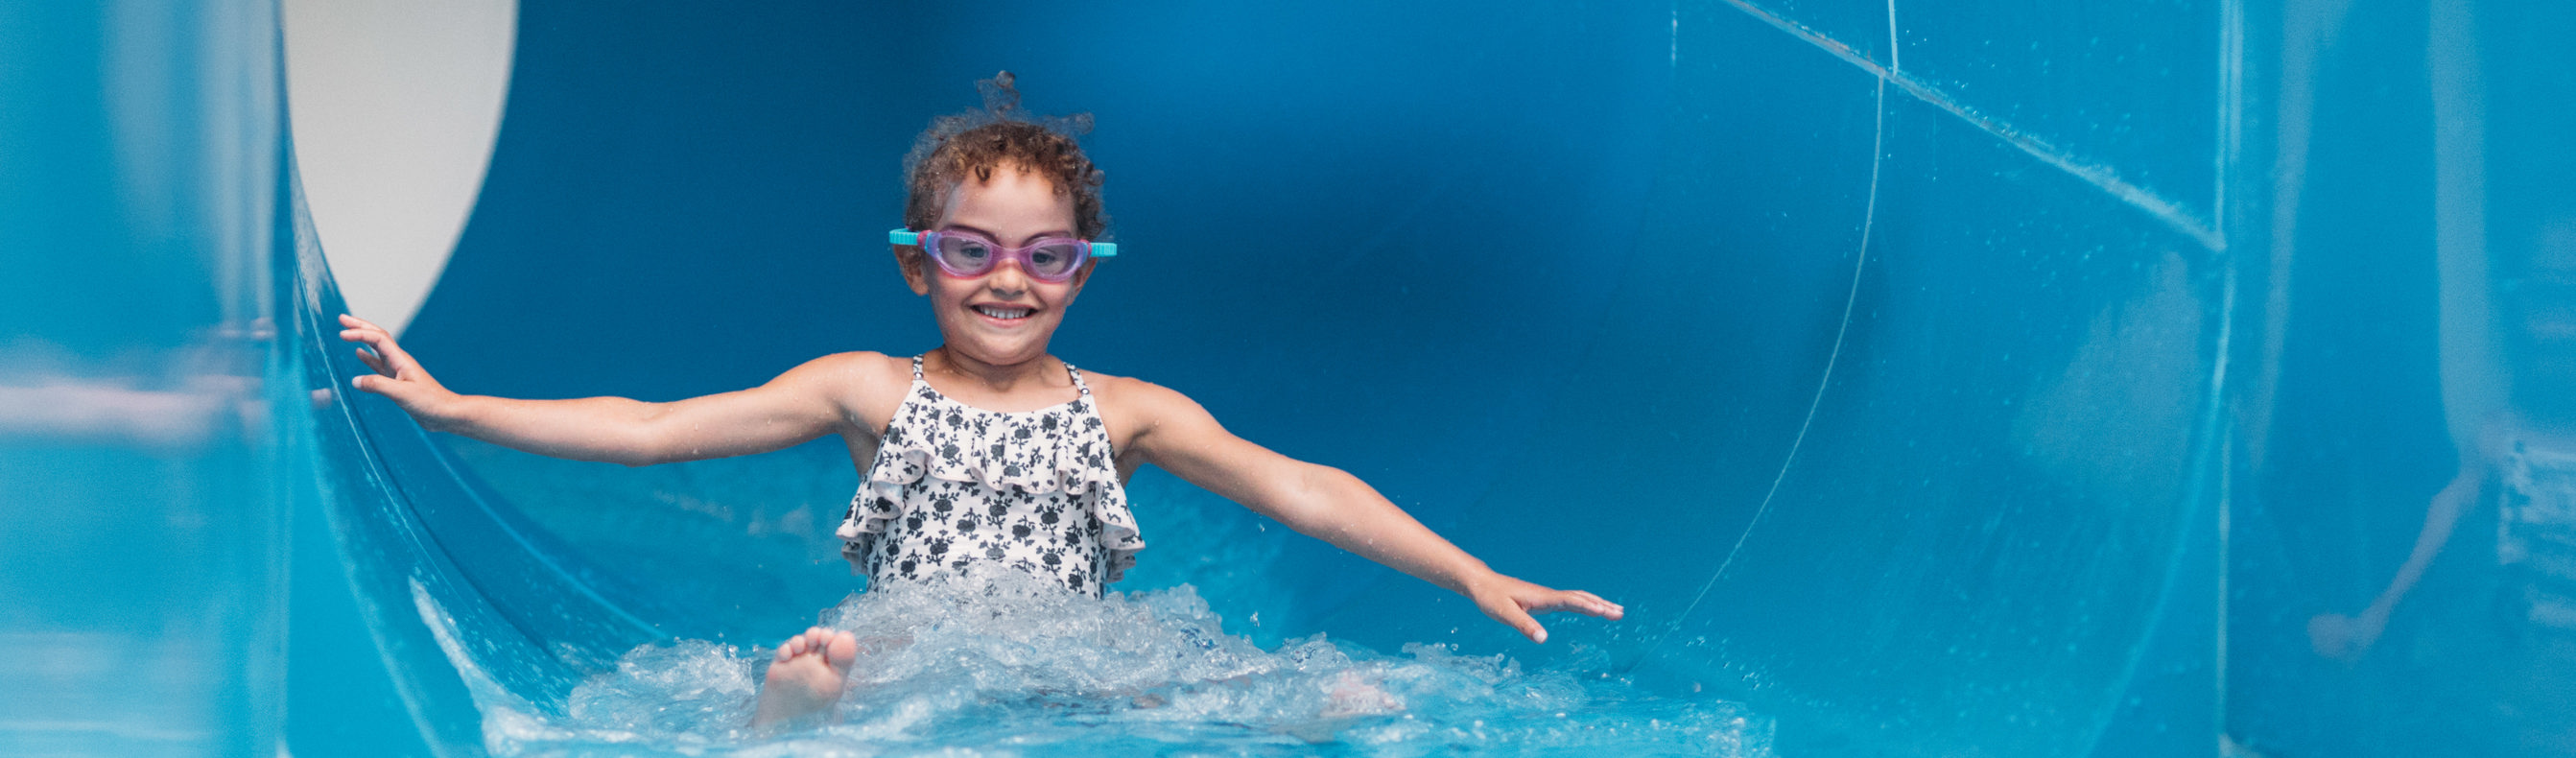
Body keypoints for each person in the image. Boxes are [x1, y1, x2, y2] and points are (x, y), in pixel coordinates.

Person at [336, 72, 1622, 729]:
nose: (1006, 280)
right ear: (918, 261)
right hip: (914, 631)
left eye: (1044, 256)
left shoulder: (1127, 410)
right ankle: (789, 725)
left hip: (1076, 641)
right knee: (855, 671)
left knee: (1268, 683)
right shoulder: (863, 389)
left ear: (1081, 271)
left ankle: (1315, 721)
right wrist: (455, 409)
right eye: (970, 250)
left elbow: (1304, 487)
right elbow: (657, 425)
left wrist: (1466, 572)